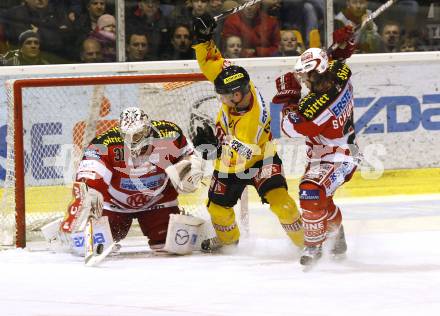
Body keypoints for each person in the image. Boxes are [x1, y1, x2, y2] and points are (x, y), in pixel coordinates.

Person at [190, 13, 304, 252]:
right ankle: (228, 242)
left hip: (260, 157)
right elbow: (213, 63)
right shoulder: (235, 83)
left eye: (225, 96)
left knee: (282, 204)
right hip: (231, 157)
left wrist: (214, 150)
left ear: (239, 94)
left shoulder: (253, 120)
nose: (221, 100)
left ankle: (308, 244)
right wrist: (203, 40)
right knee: (217, 209)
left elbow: (243, 153)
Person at [44, 107, 205, 255]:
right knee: (95, 245)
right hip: (115, 206)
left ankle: (198, 230)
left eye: (137, 134)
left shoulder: (170, 133)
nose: (132, 140)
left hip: (158, 202)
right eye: (126, 135)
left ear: (147, 129)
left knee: (173, 245)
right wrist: (89, 193)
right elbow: (90, 172)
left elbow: (190, 155)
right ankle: (66, 234)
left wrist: (191, 168)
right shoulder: (105, 143)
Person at [273, 26, 361, 266]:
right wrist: (342, 46)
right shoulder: (339, 73)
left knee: (311, 190)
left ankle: (313, 248)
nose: (302, 80)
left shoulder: (314, 108)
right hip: (338, 151)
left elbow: (285, 129)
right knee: (323, 199)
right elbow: (338, 60)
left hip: (338, 157)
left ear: (317, 75)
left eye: (305, 77)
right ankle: (337, 237)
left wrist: (286, 98)